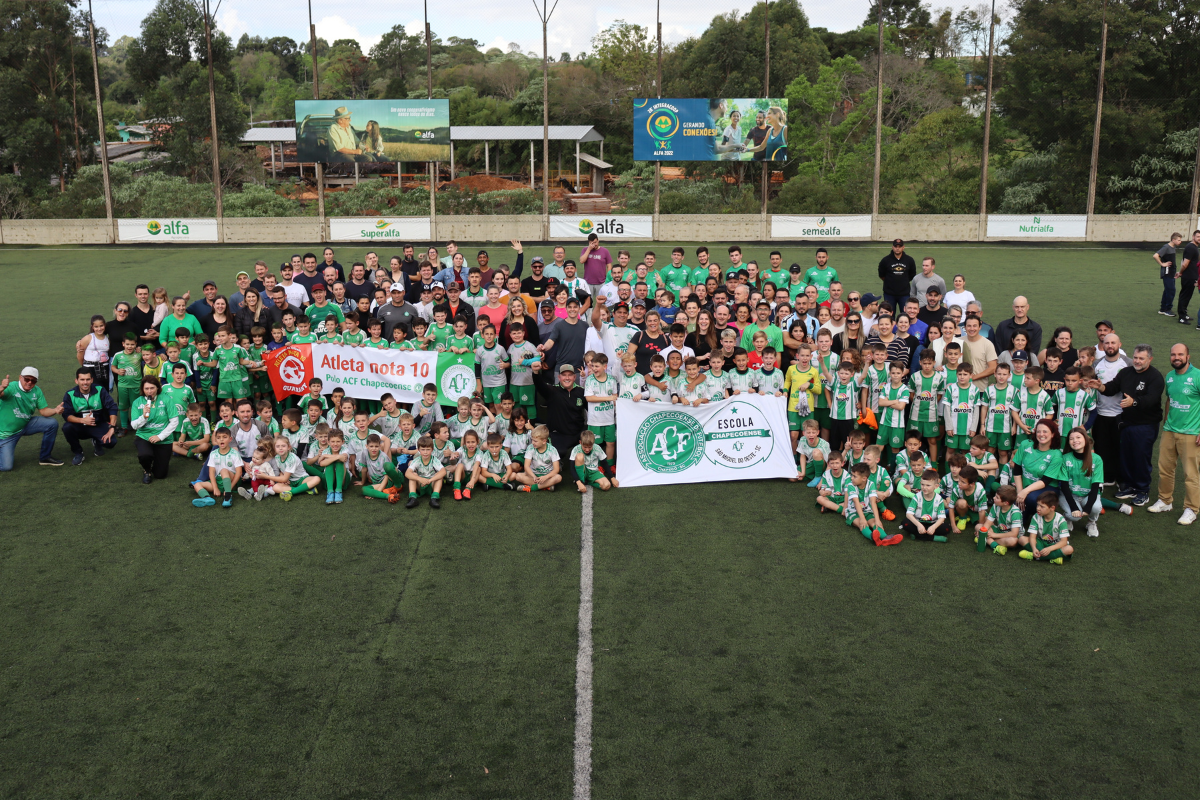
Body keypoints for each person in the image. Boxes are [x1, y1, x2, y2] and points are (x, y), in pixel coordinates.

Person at [1095, 344, 1162, 508]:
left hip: (1145, 425)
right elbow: (1111, 388)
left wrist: (1134, 402)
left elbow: (1151, 399)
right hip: (1126, 423)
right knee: (1126, 456)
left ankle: (1143, 490)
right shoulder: (1126, 372)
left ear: (1150, 359)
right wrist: (1100, 386)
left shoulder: (1155, 377)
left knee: (1141, 457)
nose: (1137, 361)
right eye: (1136, 357)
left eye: (1141, 358)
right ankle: (1130, 487)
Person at [1149, 343, 1200, 523]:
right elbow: (1170, 400)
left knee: (1190, 474)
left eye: (1180, 354)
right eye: (1173, 354)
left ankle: (1191, 509)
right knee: (1165, 469)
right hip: (1170, 431)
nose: (1176, 357)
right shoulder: (1170, 377)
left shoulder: (1197, 376)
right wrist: (1166, 423)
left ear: (1188, 356)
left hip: (1191, 433)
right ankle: (1165, 500)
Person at [530, 361, 587, 487]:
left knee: (593, 440)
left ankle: (590, 469)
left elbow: (592, 409)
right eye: (564, 375)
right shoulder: (552, 391)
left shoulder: (582, 392)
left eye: (570, 375)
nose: (567, 378)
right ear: (559, 377)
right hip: (559, 434)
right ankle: (557, 463)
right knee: (560, 451)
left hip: (577, 432)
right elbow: (540, 385)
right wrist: (535, 372)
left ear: (574, 377)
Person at [0, 368, 64, 470]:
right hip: (7, 434)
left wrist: (55, 410)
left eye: (33, 381)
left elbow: (43, 411)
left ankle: (45, 457)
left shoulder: (36, 390)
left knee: (52, 423)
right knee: (6, 467)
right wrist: (2, 387)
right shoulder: (11, 387)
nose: (30, 382)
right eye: (27, 379)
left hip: (25, 424)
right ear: (20, 377)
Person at [61, 367, 119, 466]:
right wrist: (82, 420)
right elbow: (67, 415)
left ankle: (97, 441)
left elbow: (112, 407)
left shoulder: (100, 390)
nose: (85, 382)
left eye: (88, 379)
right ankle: (78, 453)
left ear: (92, 380)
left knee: (111, 442)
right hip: (79, 426)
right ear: (76, 381)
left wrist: (112, 427)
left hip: (97, 425)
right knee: (67, 427)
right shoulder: (70, 394)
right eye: (82, 379)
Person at [131, 376, 177, 483]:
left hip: (163, 438)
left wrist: (160, 437)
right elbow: (134, 426)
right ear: (142, 389)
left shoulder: (166, 399)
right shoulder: (137, 402)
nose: (149, 391)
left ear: (157, 388)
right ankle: (147, 470)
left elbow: (174, 421)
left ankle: (156, 459)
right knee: (144, 455)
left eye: (152, 388)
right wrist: (143, 417)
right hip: (144, 435)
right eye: (146, 388)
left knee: (160, 475)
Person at [877, 238, 916, 312]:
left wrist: (903, 280)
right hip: (889, 294)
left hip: (904, 294)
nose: (897, 248)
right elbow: (881, 274)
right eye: (896, 246)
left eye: (899, 246)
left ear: (903, 247)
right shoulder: (885, 260)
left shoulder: (909, 260)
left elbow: (912, 275)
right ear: (892, 247)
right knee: (889, 315)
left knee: (905, 314)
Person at [1154, 233, 1183, 316]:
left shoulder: (1173, 247)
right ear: (1173, 240)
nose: (1180, 242)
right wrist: (1162, 264)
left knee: (1167, 290)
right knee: (1171, 291)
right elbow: (1155, 255)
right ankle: (1167, 309)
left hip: (1172, 272)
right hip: (1167, 273)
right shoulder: (1166, 247)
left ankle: (1163, 309)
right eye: (1179, 240)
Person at [1178, 230, 1200, 324]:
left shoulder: (1194, 247)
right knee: (1184, 296)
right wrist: (1180, 272)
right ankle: (1181, 317)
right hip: (1188, 276)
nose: (1199, 238)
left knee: (1188, 296)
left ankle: (1184, 313)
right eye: (1198, 236)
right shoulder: (1191, 247)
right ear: (1193, 237)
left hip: (1192, 276)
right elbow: (1185, 263)